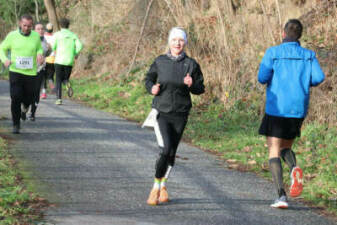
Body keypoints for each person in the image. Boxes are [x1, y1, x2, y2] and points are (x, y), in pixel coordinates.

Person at [257, 19, 325, 209]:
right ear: (300, 36)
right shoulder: (308, 55)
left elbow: (262, 77)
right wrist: (303, 82)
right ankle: (294, 168)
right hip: (298, 108)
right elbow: (319, 77)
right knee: (286, 146)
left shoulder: (273, 52)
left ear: (283, 33)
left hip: (277, 107)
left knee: (273, 149)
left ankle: (281, 196)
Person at [144, 27, 205, 205]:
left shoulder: (191, 64)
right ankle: (155, 187)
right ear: (169, 42)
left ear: (185, 43)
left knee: (172, 152)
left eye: (180, 40)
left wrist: (192, 84)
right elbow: (148, 79)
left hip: (181, 112)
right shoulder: (160, 61)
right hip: (161, 111)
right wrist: (151, 88)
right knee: (165, 149)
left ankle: (163, 185)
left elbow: (200, 88)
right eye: (174, 40)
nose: (177, 43)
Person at [0, 14, 43, 134]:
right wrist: (5, 60)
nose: (26, 28)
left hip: (31, 73)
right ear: (20, 24)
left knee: (29, 97)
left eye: (29, 26)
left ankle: (25, 109)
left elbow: (39, 48)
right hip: (15, 71)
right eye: (24, 25)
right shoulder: (12, 36)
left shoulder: (35, 36)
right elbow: (2, 48)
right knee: (15, 97)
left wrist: (39, 54)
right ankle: (16, 124)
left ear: (32, 26)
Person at [52, 18, 83, 105]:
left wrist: (55, 49)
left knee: (58, 79)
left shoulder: (57, 34)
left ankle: (58, 99)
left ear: (60, 25)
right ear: (68, 25)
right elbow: (80, 45)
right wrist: (75, 52)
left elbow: (53, 45)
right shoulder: (73, 35)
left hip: (59, 60)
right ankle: (67, 84)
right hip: (69, 60)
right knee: (65, 78)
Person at [29, 23, 51, 121]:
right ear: (34, 30)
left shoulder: (45, 41)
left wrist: (49, 50)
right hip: (28, 70)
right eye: (38, 29)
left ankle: (32, 113)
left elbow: (47, 53)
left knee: (36, 92)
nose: (41, 30)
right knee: (27, 92)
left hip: (40, 70)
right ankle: (24, 108)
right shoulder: (30, 40)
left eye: (42, 29)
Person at [43, 22, 56, 98]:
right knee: (50, 76)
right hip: (53, 59)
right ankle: (52, 87)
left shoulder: (43, 37)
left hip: (44, 59)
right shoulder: (55, 37)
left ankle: (44, 93)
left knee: (43, 77)